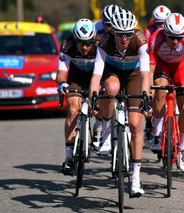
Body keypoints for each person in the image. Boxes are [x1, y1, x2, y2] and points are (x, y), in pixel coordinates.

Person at [89, 9, 150, 197]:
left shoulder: (139, 40)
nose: (124, 38)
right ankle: (106, 123)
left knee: (135, 123)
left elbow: (145, 74)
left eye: (127, 34)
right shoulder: (105, 42)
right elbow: (97, 75)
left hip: (133, 75)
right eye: (119, 34)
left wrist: (146, 97)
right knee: (112, 88)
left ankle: (136, 179)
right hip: (112, 72)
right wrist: (93, 98)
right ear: (112, 32)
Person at [148, 13, 184, 172]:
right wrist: (149, 89)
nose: (175, 42)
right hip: (162, 67)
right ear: (165, 33)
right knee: (159, 90)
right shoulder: (156, 38)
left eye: (179, 38)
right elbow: (150, 69)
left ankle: (182, 148)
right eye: (171, 37)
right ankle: (156, 131)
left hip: (180, 68)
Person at [56, 19, 97, 175]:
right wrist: (63, 85)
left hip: (96, 77)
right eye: (80, 43)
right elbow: (60, 75)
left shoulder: (101, 44)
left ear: (94, 39)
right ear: (75, 39)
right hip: (76, 77)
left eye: (88, 43)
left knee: (99, 109)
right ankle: (68, 158)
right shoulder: (67, 45)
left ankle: (99, 131)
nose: (84, 47)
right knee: (73, 109)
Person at [92, 4, 123, 153]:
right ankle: (99, 123)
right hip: (99, 61)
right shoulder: (95, 27)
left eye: (112, 24)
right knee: (100, 93)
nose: (109, 28)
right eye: (106, 24)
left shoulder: (122, 28)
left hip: (118, 63)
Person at [143, 5, 171, 146]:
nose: (161, 26)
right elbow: (149, 62)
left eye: (164, 23)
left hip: (170, 61)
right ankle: (150, 123)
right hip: (154, 60)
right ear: (154, 22)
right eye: (158, 23)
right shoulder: (149, 32)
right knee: (154, 93)